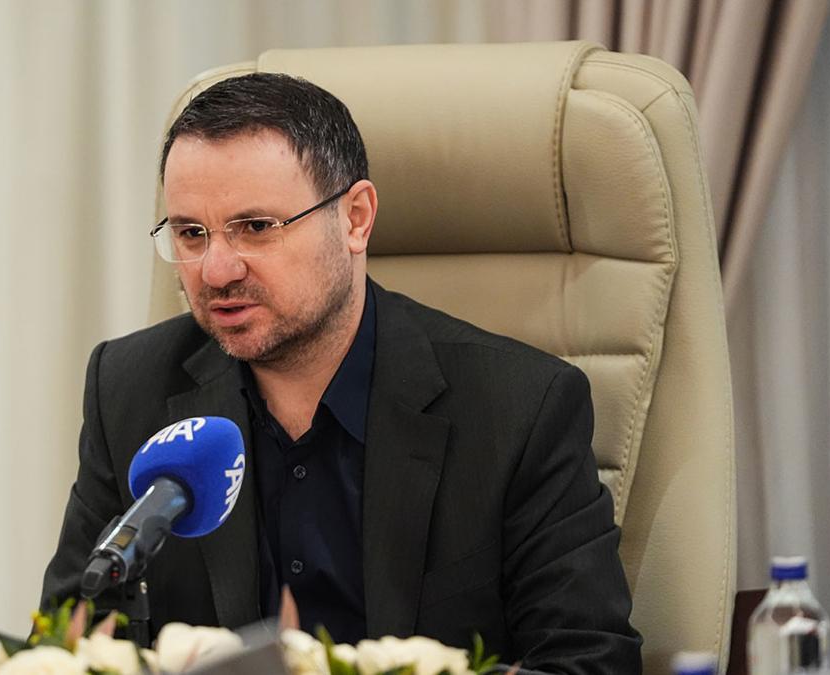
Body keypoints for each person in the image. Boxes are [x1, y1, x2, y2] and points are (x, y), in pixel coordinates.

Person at [40, 72, 642, 673]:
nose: (216, 270)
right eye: (191, 234)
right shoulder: (130, 389)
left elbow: (589, 661)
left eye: (256, 227)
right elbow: (68, 645)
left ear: (356, 218)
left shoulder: (518, 408)